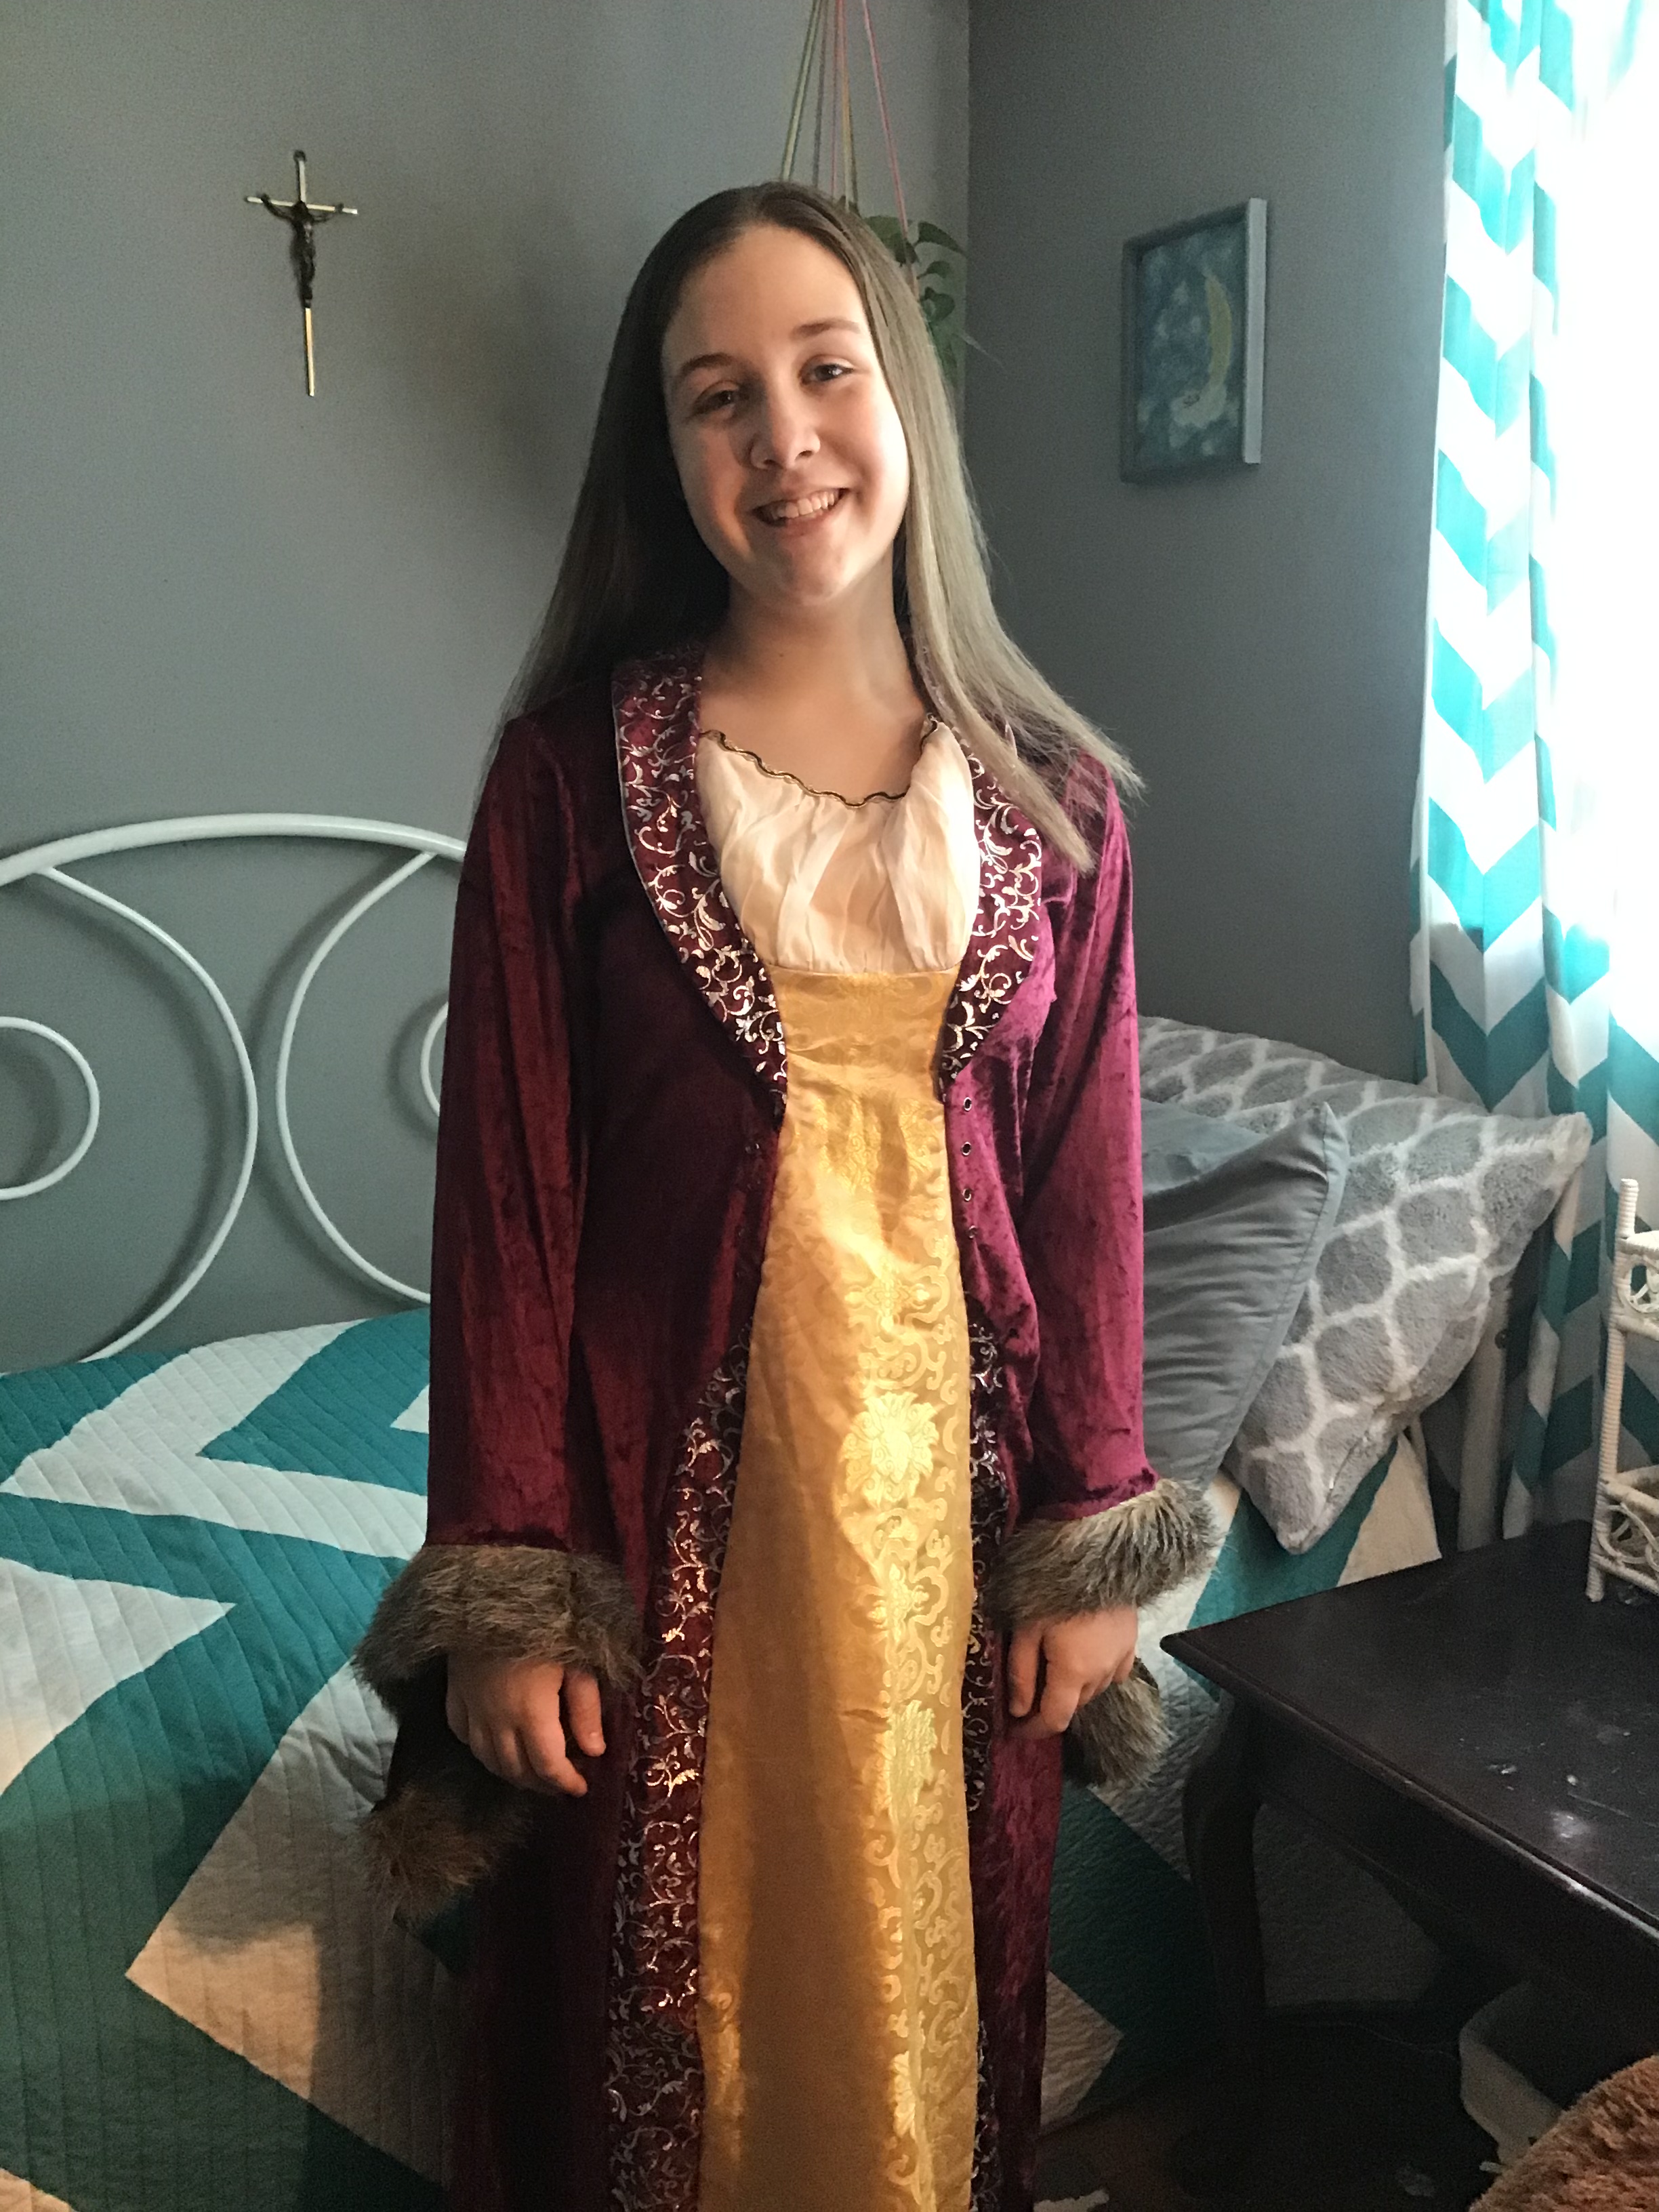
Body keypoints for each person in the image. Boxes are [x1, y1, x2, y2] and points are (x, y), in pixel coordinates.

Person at [355, 180, 1211, 2212]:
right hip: (656, 1523)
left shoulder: (1056, 803)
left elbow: (1086, 1191)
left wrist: (1096, 1535)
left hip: (957, 1545)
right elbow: (508, 1207)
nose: (786, 439)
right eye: (718, 396)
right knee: (646, 2011)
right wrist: (505, 1580)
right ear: (666, 454)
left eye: (827, 373)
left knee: (930, 2002)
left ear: (903, 402)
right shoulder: (567, 781)